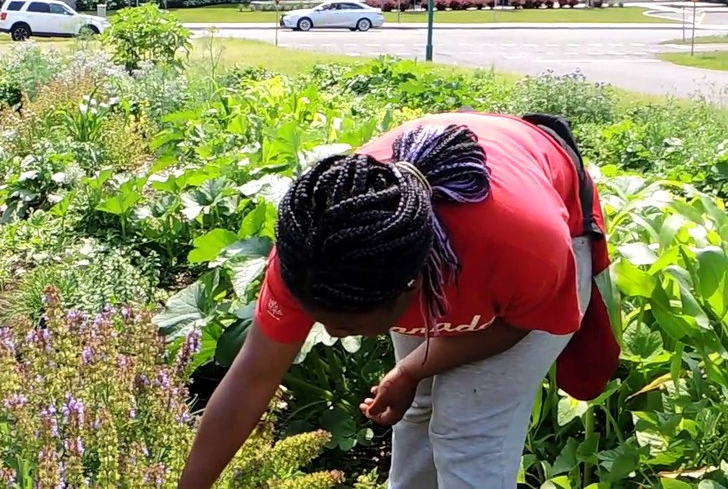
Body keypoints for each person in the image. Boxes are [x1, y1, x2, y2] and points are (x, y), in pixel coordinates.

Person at [177, 111, 619, 488]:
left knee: (467, 429)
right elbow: (252, 379)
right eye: (323, 319)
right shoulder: (316, 252)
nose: (332, 332)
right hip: (423, 228)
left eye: (348, 325)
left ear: (411, 288)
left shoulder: (522, 246)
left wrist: (412, 367)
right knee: (416, 411)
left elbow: (519, 324)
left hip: (537, 209)